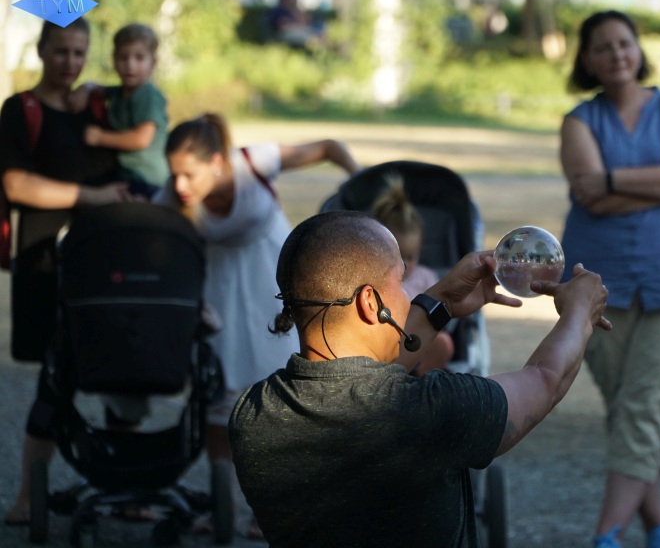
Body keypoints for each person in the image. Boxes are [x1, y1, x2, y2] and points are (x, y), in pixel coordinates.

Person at [229, 211, 611, 547]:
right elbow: (546, 380)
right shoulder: (428, 412)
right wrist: (578, 313)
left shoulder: (252, 416)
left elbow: (363, 367)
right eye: (401, 281)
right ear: (369, 303)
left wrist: (441, 300)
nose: (408, 293)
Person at [155, 113, 360, 538]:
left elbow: (326, 146)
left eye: (188, 174)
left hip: (273, 279)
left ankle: (282, 507)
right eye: (173, 174)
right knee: (219, 393)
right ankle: (222, 503)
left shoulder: (254, 162)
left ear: (217, 161)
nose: (179, 185)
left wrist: (361, 181)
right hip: (219, 291)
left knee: (286, 390)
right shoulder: (174, 197)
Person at [560, 10, 660, 548]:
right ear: (586, 59)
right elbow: (587, 195)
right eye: (602, 47)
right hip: (599, 285)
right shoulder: (579, 120)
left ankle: (607, 535)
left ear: (638, 48)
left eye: (624, 43)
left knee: (645, 404)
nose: (616, 54)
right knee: (632, 408)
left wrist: (610, 181)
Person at [0, 18, 140, 526]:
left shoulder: (98, 108)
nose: (71, 62)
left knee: (119, 368)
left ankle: (125, 491)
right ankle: (25, 497)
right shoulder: (21, 110)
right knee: (52, 380)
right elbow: (16, 185)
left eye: (80, 52)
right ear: (40, 50)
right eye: (61, 51)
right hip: (44, 261)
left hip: (103, 264)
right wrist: (91, 196)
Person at [71, 23, 169, 196]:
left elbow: (141, 139)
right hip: (126, 176)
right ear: (114, 60)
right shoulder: (119, 92)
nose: (130, 65)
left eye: (139, 58)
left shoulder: (147, 94)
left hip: (147, 180)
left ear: (153, 63)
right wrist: (85, 88)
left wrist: (100, 137)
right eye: (123, 57)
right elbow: (97, 88)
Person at [371, 173, 454, 373]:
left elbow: (439, 316)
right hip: (383, 346)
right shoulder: (375, 279)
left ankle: (418, 377)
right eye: (399, 256)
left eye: (411, 257)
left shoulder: (426, 278)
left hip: (420, 344)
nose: (406, 265)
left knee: (443, 342)